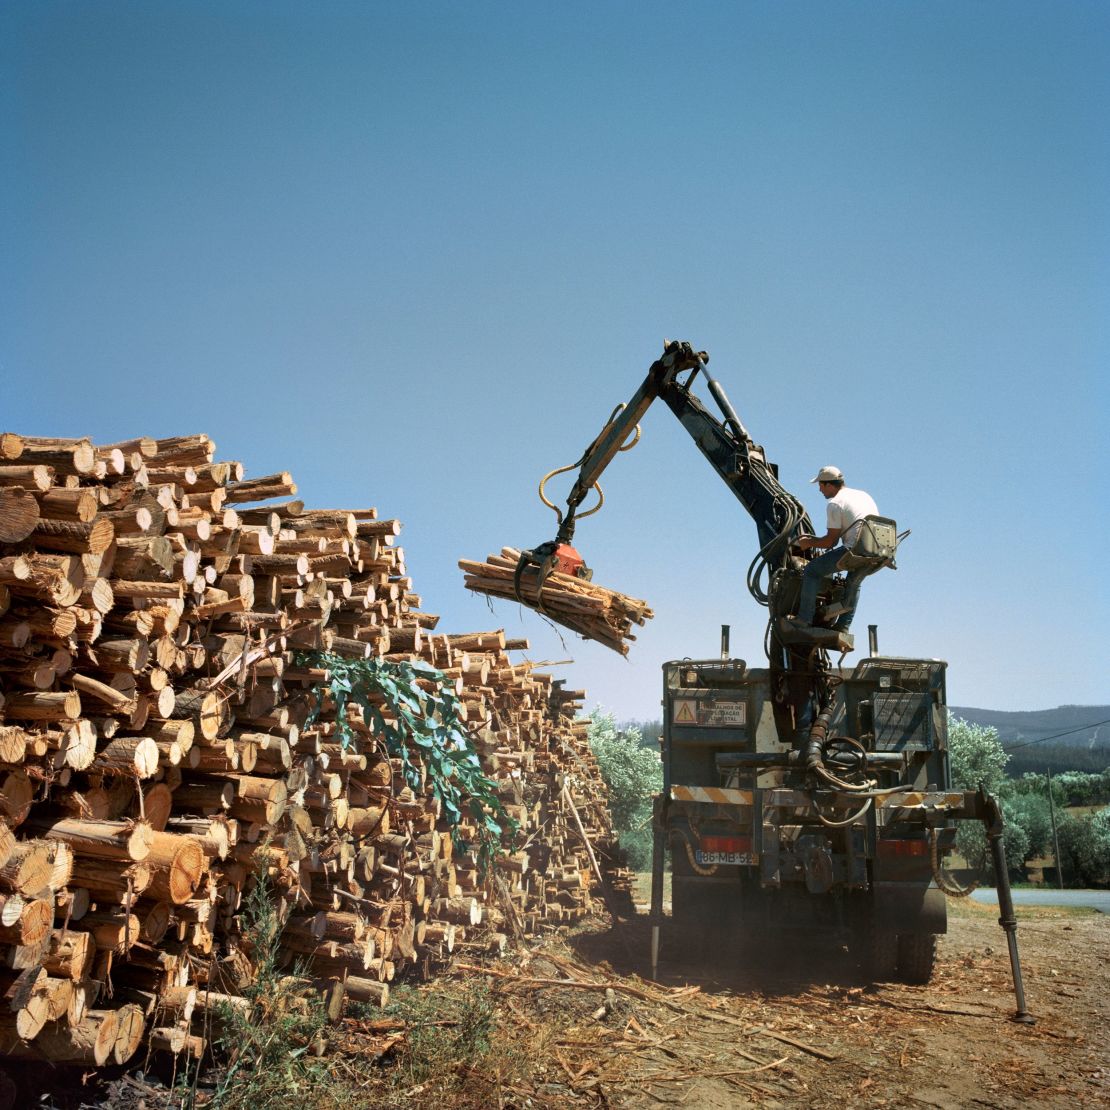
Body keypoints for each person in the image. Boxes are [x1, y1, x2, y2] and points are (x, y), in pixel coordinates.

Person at [793, 465, 878, 633]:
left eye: (820, 485)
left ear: (829, 485)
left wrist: (808, 543)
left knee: (811, 571)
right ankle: (843, 627)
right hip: (876, 550)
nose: (819, 490)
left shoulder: (835, 503)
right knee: (853, 583)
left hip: (854, 550)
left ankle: (804, 620)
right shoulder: (863, 495)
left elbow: (830, 542)